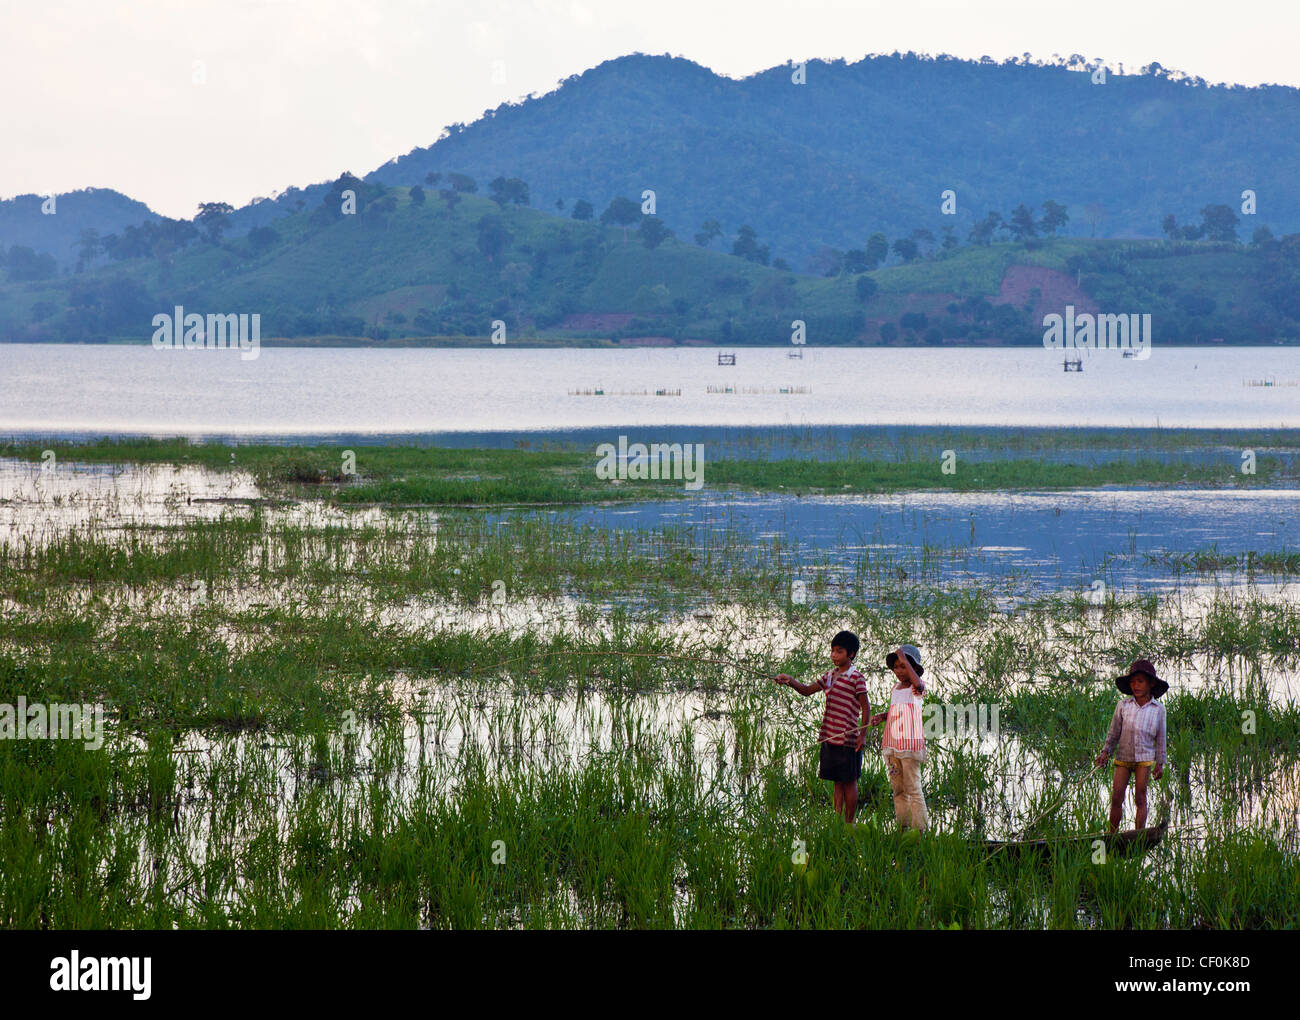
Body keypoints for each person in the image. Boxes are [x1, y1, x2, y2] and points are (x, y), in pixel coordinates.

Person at [774, 630, 870, 823]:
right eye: (832, 651)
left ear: (851, 654)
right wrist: (790, 680)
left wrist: (862, 734)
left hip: (848, 739)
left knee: (849, 782)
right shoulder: (829, 676)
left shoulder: (856, 677)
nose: (834, 655)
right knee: (837, 782)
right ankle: (837, 822)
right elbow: (807, 690)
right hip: (830, 736)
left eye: (839, 651)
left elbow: (866, 706)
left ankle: (849, 823)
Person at [1095, 659, 1168, 832]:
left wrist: (1160, 763)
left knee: (1140, 797)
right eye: (1133, 682)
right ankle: (1112, 834)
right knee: (1116, 796)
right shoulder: (1123, 706)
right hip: (1124, 758)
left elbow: (1161, 738)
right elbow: (1114, 733)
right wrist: (1105, 752)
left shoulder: (1158, 709)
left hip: (1144, 759)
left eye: (1140, 681)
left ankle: (1139, 835)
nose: (1135, 685)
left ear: (1151, 684)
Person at [868, 644, 929, 832]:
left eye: (903, 666)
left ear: (914, 669)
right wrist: (882, 716)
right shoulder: (896, 688)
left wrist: (902, 655)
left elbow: (918, 683)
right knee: (898, 790)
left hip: (909, 746)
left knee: (913, 789)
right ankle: (903, 826)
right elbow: (897, 711)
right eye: (896, 666)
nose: (898, 671)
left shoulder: (917, 689)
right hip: (893, 745)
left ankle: (920, 830)